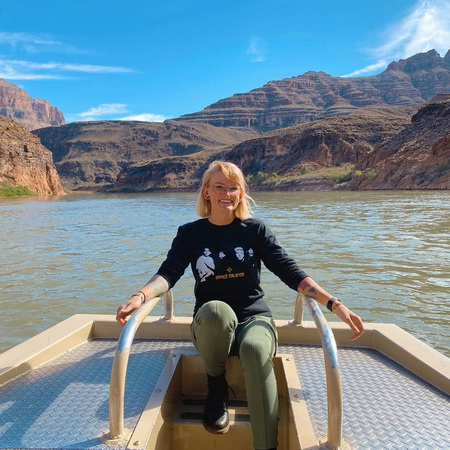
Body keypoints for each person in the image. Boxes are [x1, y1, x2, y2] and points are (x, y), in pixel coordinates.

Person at [116, 160, 365, 450]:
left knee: (255, 349)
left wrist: (334, 304)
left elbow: (290, 271)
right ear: (206, 192)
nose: (227, 193)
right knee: (216, 311)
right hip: (211, 328)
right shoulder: (190, 233)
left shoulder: (254, 230)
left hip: (254, 320)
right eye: (219, 186)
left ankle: (266, 446)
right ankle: (217, 388)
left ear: (241, 193)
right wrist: (141, 296)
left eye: (233, 187)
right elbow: (169, 273)